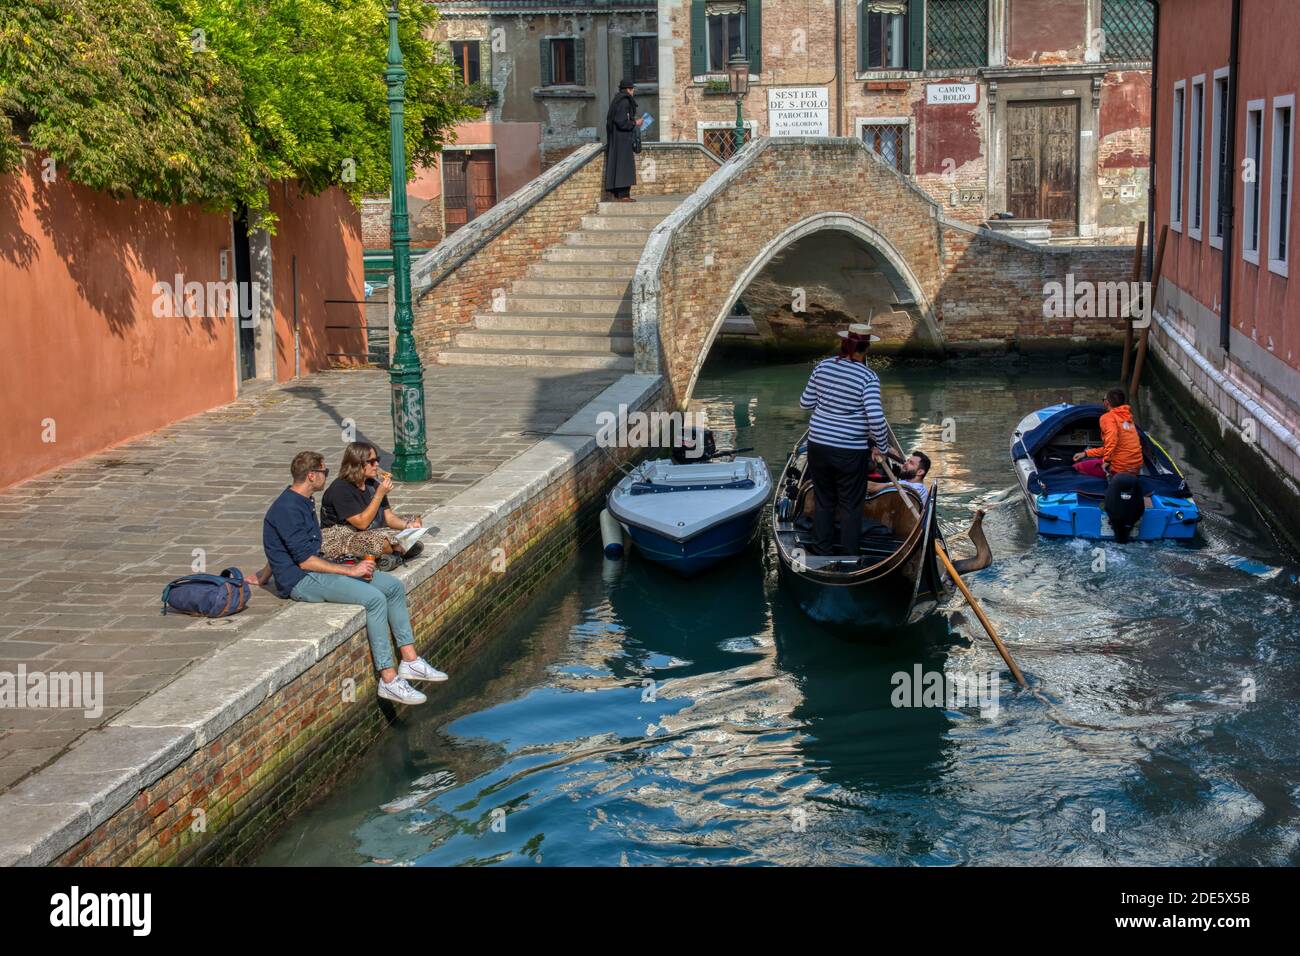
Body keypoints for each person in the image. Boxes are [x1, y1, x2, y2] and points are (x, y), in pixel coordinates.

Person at [260, 450, 447, 706]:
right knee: (374, 599)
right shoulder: (287, 508)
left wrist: (262, 575)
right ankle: (389, 679)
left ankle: (411, 661)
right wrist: (351, 570)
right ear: (311, 475)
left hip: (318, 567)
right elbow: (303, 560)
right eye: (323, 471)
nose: (327, 475)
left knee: (391, 586)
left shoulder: (304, 500)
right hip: (301, 580)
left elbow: (287, 544)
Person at [798, 323, 894, 557]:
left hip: (818, 445)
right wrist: (882, 447)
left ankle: (822, 551)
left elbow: (805, 403)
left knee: (824, 500)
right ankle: (850, 556)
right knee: (851, 505)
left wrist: (828, 406)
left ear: (844, 343)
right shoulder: (868, 377)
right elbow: (875, 416)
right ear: (867, 348)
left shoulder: (822, 367)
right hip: (850, 451)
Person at [319, 442, 422, 565]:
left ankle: (395, 552)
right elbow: (361, 523)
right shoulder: (340, 489)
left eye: (377, 460)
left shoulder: (372, 483)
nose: (377, 464)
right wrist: (379, 494)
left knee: (415, 520)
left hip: (370, 529)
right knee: (381, 544)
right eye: (372, 461)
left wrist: (408, 526)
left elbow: (388, 517)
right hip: (343, 536)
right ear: (358, 464)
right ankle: (398, 551)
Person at [1073, 387, 1143, 479]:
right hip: (1136, 468)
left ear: (1107, 402)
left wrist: (1107, 461)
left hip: (1119, 469)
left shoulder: (1108, 417)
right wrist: (1086, 453)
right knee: (1093, 459)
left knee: (1077, 467)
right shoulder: (1127, 417)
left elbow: (1112, 440)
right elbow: (1113, 447)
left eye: (1103, 399)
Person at [604, 78, 643, 202]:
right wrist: (635, 123)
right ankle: (623, 195)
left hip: (618, 138)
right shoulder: (624, 102)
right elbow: (621, 121)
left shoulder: (618, 100)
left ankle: (621, 194)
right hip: (622, 139)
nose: (633, 92)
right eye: (632, 89)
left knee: (620, 165)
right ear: (628, 89)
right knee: (623, 166)